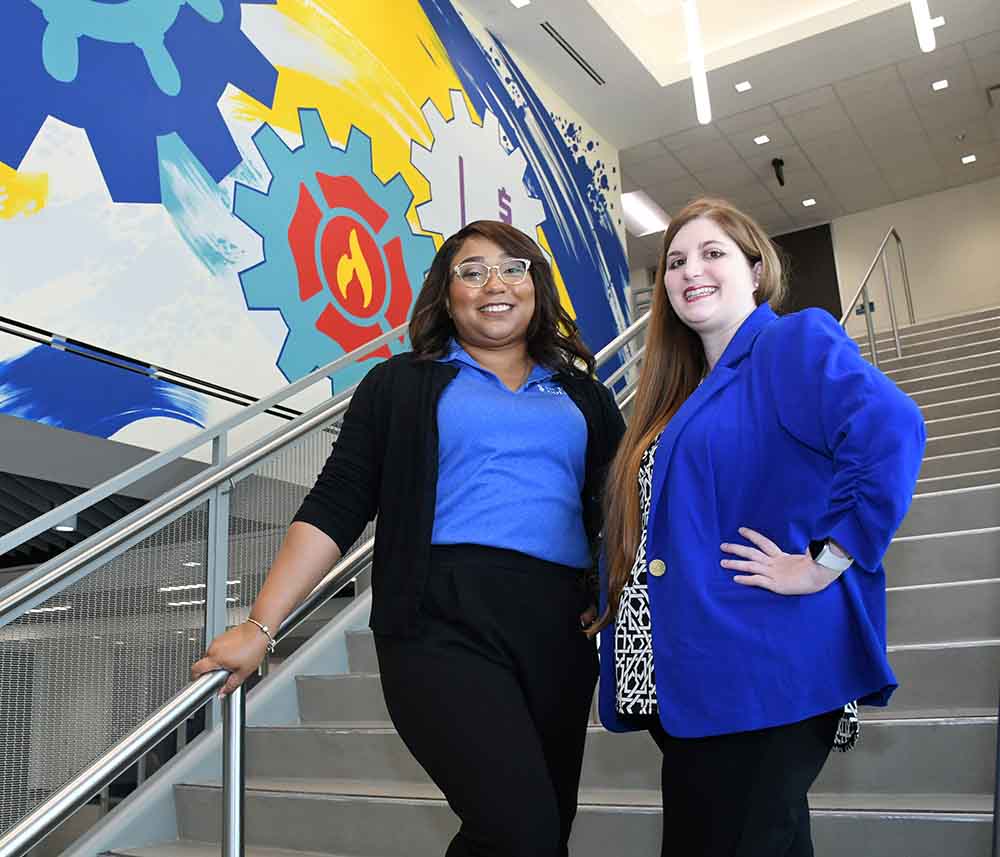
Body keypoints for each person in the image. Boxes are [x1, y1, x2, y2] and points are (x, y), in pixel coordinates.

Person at [193, 219, 625, 857]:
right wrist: (260, 625)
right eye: (471, 271)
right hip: (437, 615)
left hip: (558, 624)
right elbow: (337, 503)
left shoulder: (583, 395)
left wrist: (606, 584)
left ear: (536, 286)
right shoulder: (401, 384)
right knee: (519, 830)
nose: (493, 284)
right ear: (446, 296)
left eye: (513, 268)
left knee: (545, 832)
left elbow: (618, 506)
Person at [592, 198, 926, 857]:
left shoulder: (790, 342)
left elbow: (892, 428)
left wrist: (821, 561)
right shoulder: (688, 389)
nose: (691, 270)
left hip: (764, 667)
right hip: (697, 680)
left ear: (755, 267)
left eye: (712, 253)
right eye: (675, 261)